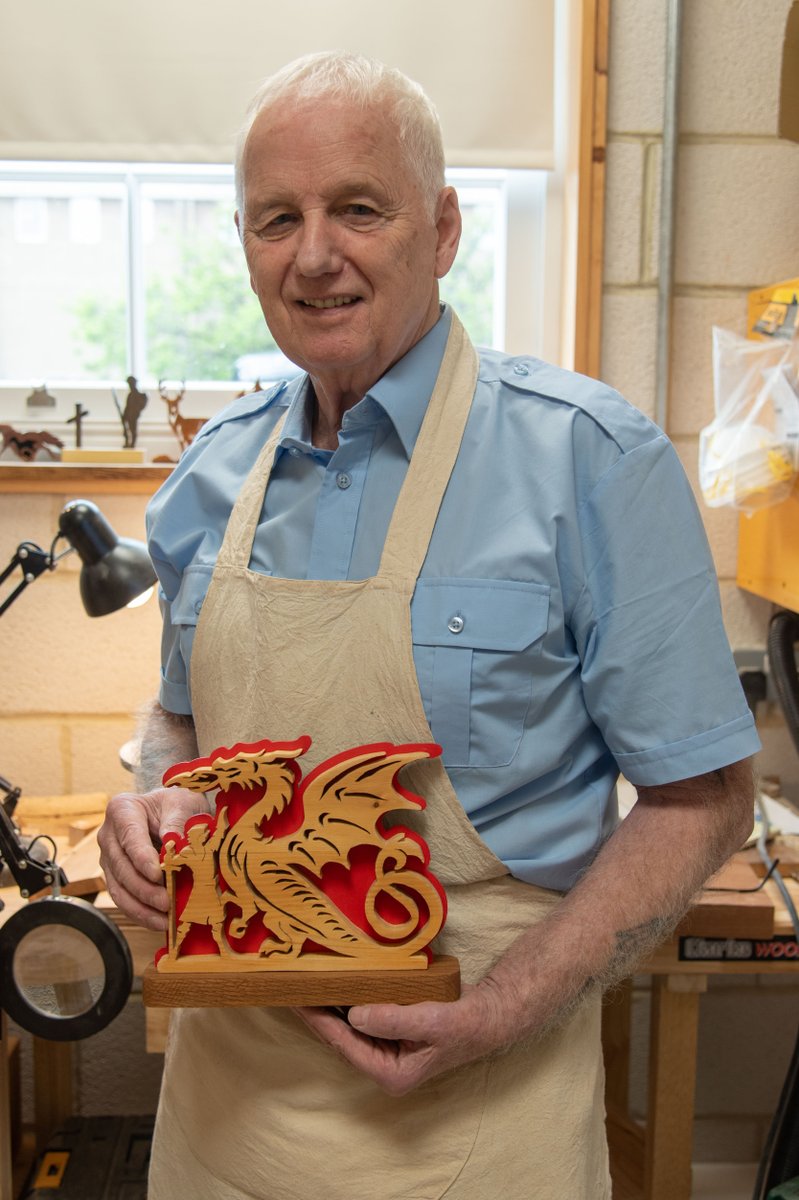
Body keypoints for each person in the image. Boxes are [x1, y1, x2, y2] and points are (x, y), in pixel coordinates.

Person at [98, 51, 760, 1199]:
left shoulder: (589, 464)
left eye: (359, 208)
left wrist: (504, 1005)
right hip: (221, 1132)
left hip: (480, 1128)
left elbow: (700, 800)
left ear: (444, 229)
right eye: (276, 219)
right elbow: (180, 715)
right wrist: (163, 801)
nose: (313, 256)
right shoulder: (210, 473)